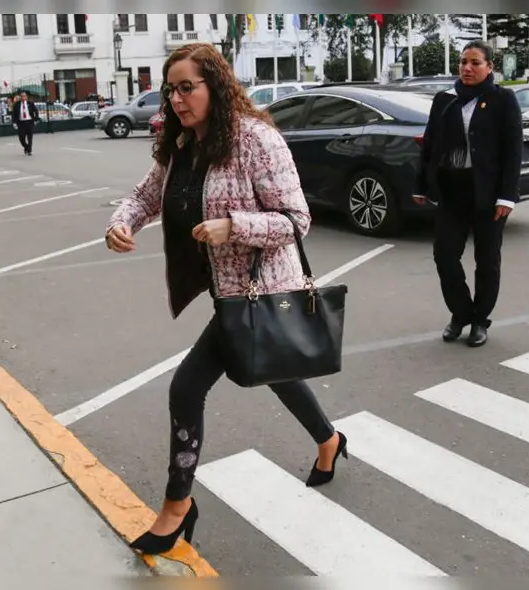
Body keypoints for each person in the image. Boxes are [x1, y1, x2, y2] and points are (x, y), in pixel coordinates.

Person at [105, 42, 347, 555]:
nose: (176, 99)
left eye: (187, 86)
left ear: (216, 84)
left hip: (261, 289)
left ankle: (177, 506)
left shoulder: (256, 140)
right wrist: (121, 222)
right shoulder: (181, 145)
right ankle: (329, 440)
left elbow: (296, 220)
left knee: (185, 388)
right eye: (171, 89)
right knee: (277, 373)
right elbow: (148, 194)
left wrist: (233, 226)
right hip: (224, 291)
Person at [413, 40, 522, 347]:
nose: (467, 68)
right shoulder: (445, 100)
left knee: (487, 260)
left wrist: (507, 196)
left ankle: (480, 320)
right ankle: (460, 313)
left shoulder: (502, 99)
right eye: (463, 62)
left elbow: (513, 151)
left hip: (488, 192)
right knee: (444, 255)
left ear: (490, 67)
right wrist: (421, 185)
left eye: (475, 62)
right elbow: (431, 145)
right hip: (452, 190)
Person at [12, 91, 38, 155]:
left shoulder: (30, 103)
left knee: (30, 137)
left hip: (29, 122)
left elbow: (36, 111)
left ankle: (29, 151)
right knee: (21, 138)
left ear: (26, 97)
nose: (23, 97)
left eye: (24, 96)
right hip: (21, 123)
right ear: (20, 97)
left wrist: (35, 119)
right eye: (21, 96)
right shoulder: (16, 104)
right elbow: (14, 114)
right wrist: (14, 123)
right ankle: (26, 147)